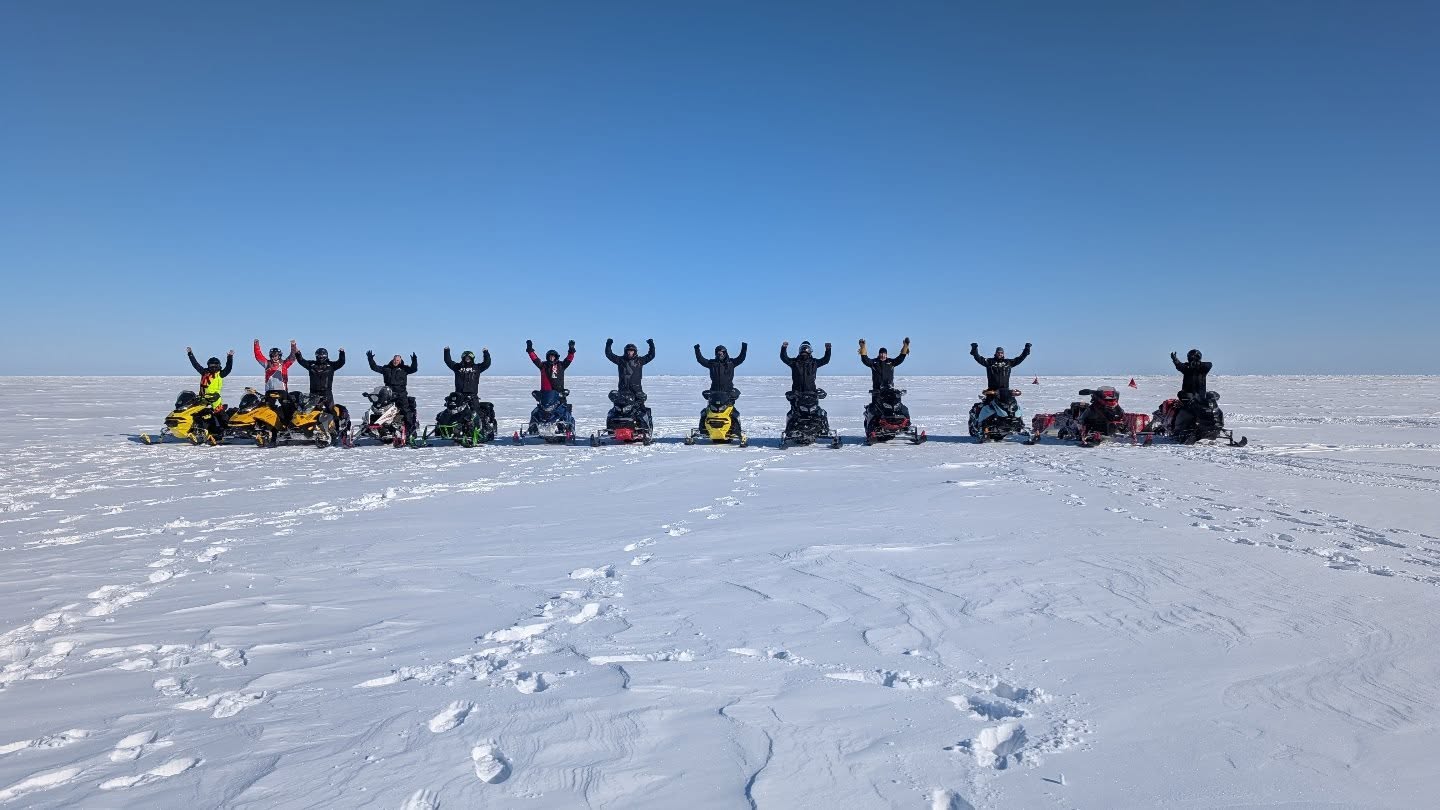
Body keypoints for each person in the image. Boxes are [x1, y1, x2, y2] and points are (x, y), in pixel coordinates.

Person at [367, 350, 419, 433]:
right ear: (392, 360)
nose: (396, 361)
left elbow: (414, 369)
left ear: (400, 361)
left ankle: (410, 431)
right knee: (378, 408)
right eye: (395, 360)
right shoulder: (386, 368)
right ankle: (376, 427)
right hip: (388, 393)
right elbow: (375, 367)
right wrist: (370, 359)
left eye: (398, 360)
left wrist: (414, 360)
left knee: (406, 410)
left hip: (401, 394)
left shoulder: (404, 369)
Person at [254, 339, 298, 429]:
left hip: (282, 391)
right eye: (273, 356)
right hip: (269, 391)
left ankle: (288, 425)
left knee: (288, 408)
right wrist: (256, 344)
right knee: (268, 410)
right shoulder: (267, 364)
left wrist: (293, 345)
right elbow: (258, 356)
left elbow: (293, 357)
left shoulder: (284, 364)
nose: (274, 357)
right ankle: (269, 427)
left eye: (276, 355)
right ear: (270, 356)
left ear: (279, 356)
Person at [292, 341, 346, 409]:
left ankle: (337, 419)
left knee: (332, 411)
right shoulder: (311, 365)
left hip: (327, 393)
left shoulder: (331, 366)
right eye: (319, 355)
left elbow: (341, 362)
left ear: (326, 356)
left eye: (323, 355)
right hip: (313, 393)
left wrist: (342, 353)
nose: (321, 357)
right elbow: (301, 360)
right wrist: (297, 352)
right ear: (316, 356)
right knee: (311, 412)